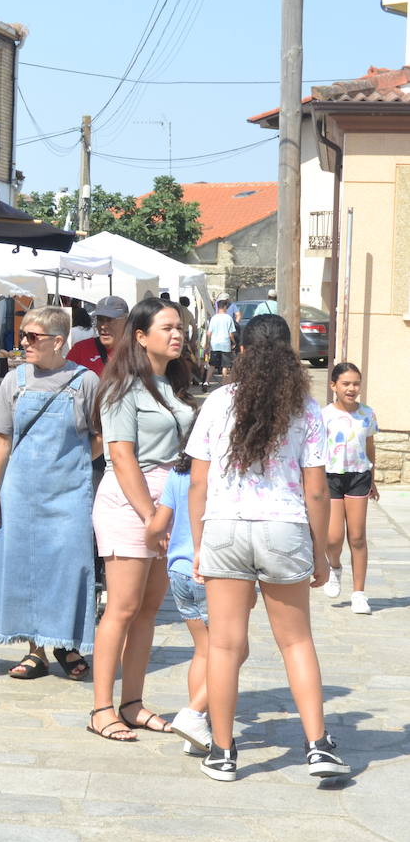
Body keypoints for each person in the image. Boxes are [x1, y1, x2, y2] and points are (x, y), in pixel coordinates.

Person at [186, 314, 349, 782]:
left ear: (240, 352)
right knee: (296, 641)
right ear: (289, 356)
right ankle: (317, 745)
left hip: (225, 526)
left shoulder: (217, 402)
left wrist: (199, 545)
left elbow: (198, 481)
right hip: (284, 527)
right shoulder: (306, 409)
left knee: (224, 643)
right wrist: (320, 554)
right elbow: (317, 491)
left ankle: (221, 750)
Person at [87, 297, 195, 743]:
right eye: (167, 328)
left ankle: (132, 702)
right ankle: (100, 708)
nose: (177, 334)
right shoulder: (120, 388)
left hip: (169, 498)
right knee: (122, 607)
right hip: (131, 500)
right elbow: (120, 455)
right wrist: (150, 515)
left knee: (149, 609)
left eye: (180, 328)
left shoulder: (171, 384)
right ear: (140, 335)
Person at [0, 307, 101, 681]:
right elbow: (1, 438)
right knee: (23, 569)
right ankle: (35, 650)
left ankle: (66, 642)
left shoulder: (86, 382)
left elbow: (99, 439)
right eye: (23, 336)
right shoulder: (14, 380)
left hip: (68, 495)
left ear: (58, 341)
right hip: (20, 493)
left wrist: (73, 466)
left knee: (69, 568)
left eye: (33, 337)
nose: (24, 343)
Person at [144, 452, 214, 755]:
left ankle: (196, 731)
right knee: (232, 651)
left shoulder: (177, 475)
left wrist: (153, 544)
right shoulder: (220, 475)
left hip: (179, 573)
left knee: (204, 650)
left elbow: (157, 525)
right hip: (211, 573)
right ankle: (194, 714)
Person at [322, 362, 379, 614]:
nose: (351, 388)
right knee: (333, 538)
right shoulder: (325, 415)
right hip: (331, 477)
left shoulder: (367, 414)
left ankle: (359, 593)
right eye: (346, 383)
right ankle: (334, 566)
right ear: (334, 386)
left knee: (357, 536)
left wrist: (373, 477)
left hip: (359, 477)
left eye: (356, 383)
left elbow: (370, 447)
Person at [66, 295, 129, 376]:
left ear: (126, 321)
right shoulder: (80, 350)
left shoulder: (139, 351)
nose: (103, 326)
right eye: (100, 319)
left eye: (110, 320)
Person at [203, 299, 238, 388]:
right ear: (225, 307)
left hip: (214, 344)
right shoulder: (229, 318)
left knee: (212, 364)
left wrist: (207, 343)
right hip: (225, 343)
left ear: (218, 307)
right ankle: (223, 382)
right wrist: (234, 342)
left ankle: (206, 382)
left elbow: (209, 333)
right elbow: (231, 334)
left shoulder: (214, 318)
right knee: (225, 365)